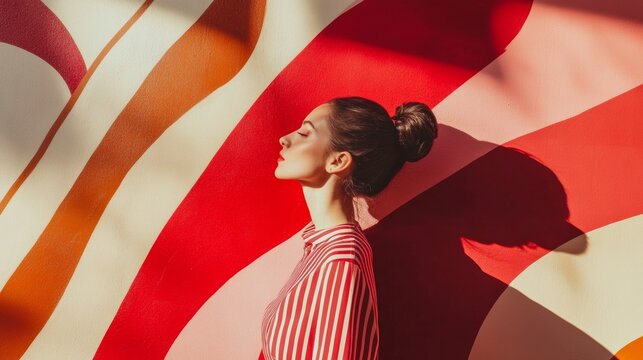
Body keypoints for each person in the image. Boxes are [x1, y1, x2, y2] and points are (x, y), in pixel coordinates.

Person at [260, 96, 438, 360]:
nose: (284, 139)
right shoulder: (323, 250)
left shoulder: (341, 259)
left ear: (338, 161)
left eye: (304, 132)